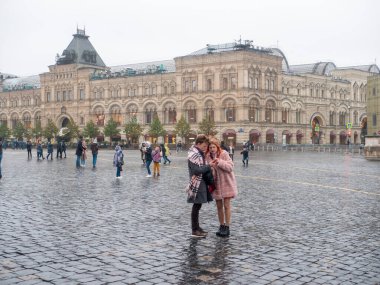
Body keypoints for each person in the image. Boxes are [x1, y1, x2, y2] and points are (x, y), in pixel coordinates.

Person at [206, 138, 238, 237]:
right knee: (219, 206)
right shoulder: (207, 156)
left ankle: (227, 227)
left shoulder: (224, 153)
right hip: (215, 184)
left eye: (213, 147)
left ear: (217, 147)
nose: (212, 149)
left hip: (226, 182)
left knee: (227, 205)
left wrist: (219, 162)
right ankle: (221, 225)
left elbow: (230, 167)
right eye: (210, 147)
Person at [185, 134, 213, 238]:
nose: (206, 148)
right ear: (198, 144)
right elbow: (197, 170)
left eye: (206, 146)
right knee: (196, 206)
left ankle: (197, 228)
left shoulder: (199, 153)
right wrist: (208, 166)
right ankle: (194, 230)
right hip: (197, 182)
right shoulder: (194, 155)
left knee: (198, 205)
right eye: (204, 146)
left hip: (201, 182)